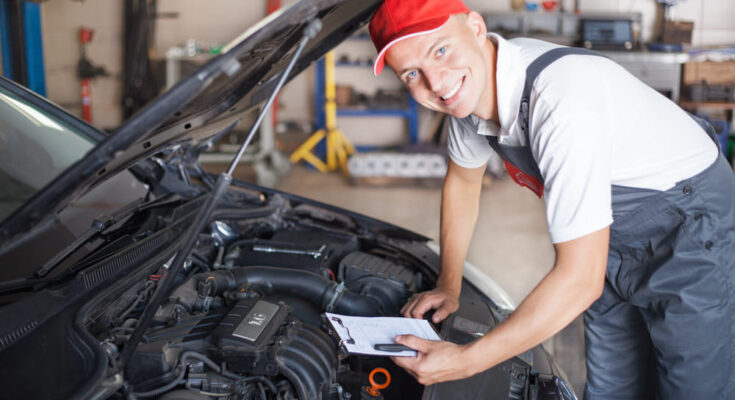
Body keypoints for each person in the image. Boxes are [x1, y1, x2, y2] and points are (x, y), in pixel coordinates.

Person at [367, 0, 735, 398]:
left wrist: (463, 360)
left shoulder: (559, 101)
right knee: (615, 382)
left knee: (693, 382)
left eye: (440, 50)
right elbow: (462, 183)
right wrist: (449, 283)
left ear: (475, 27)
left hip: (689, 221)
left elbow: (579, 281)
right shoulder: (468, 102)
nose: (436, 84)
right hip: (613, 231)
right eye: (412, 73)